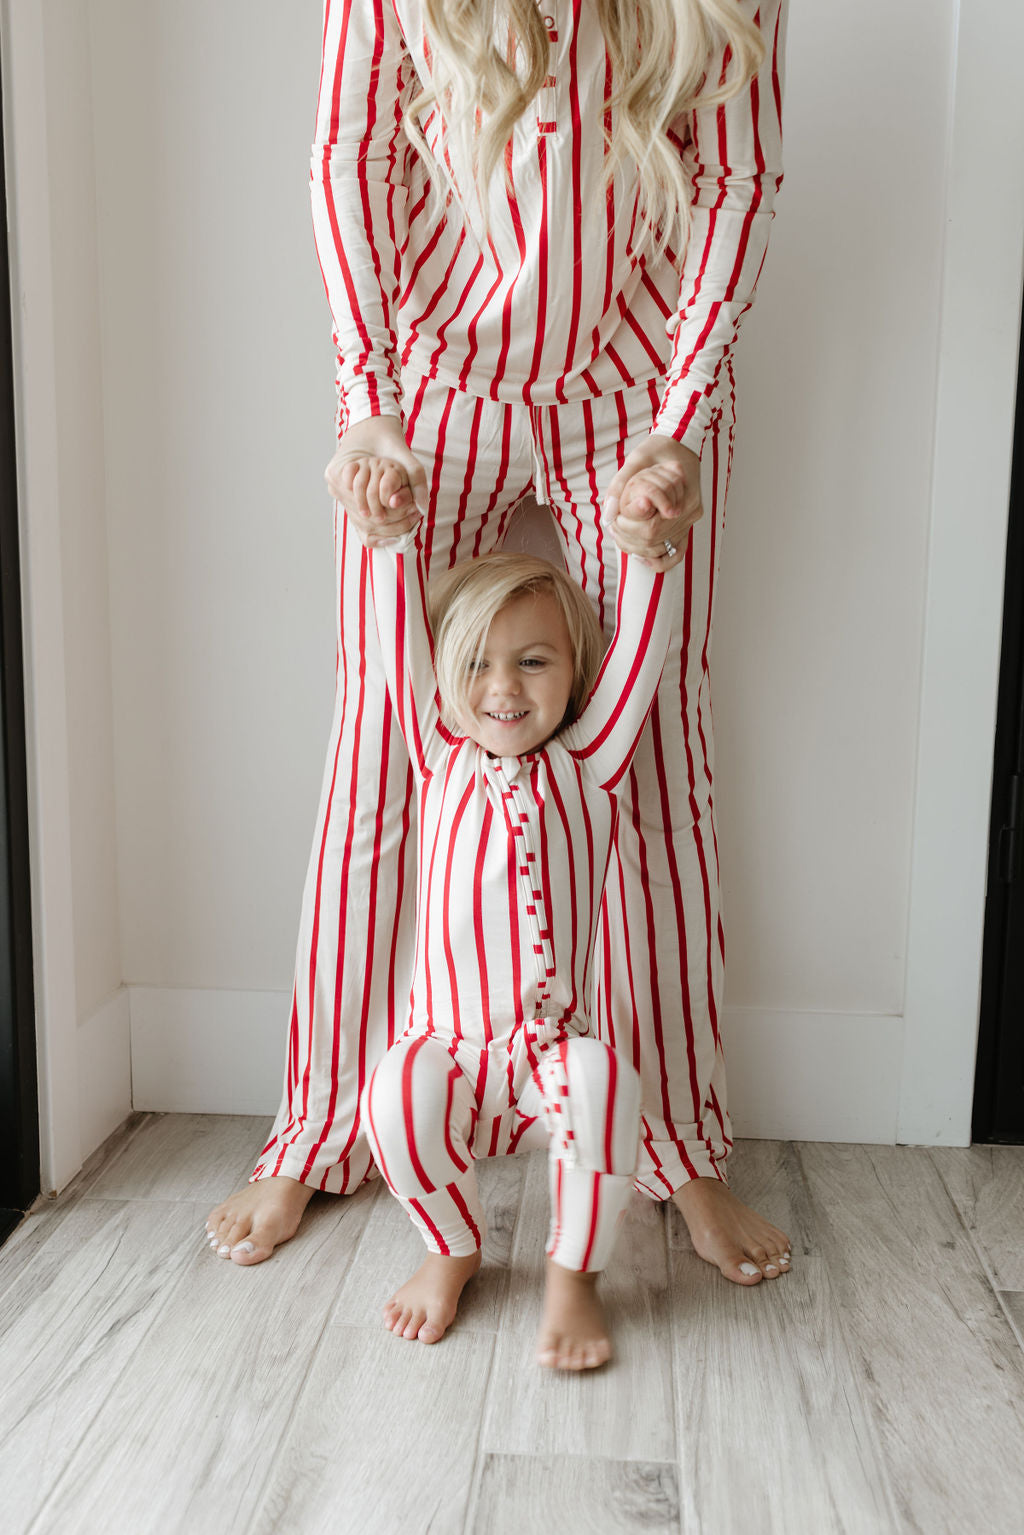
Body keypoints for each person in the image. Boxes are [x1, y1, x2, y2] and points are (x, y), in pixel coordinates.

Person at [206, 0, 792, 1287]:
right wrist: (368, 406)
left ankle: (679, 1141)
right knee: (379, 746)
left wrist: (680, 423)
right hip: (427, 384)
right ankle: (317, 1125)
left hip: (641, 396)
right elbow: (347, 152)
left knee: (649, 755)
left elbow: (740, 175)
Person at [355, 466, 683, 1368]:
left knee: (608, 1080)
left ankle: (574, 1276)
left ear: (575, 671)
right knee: (391, 1097)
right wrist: (388, 538)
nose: (503, 686)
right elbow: (396, 646)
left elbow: (643, 654)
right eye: (476, 663)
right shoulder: (438, 753)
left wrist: (649, 554)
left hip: (548, 1048)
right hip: (446, 1044)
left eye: (533, 660)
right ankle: (451, 1247)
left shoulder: (593, 760)